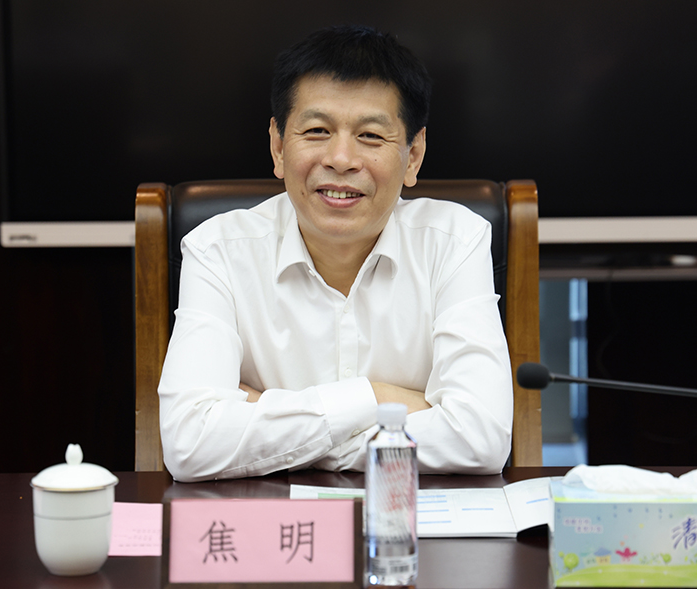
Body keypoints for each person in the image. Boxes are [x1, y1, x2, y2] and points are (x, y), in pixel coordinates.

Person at [158, 25, 512, 482]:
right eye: (317, 130)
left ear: (414, 155)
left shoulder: (455, 243)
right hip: (275, 522)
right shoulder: (217, 252)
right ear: (278, 146)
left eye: (370, 136)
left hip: (414, 522)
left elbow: (481, 438)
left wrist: (270, 420)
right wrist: (376, 399)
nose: (341, 159)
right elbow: (190, 444)